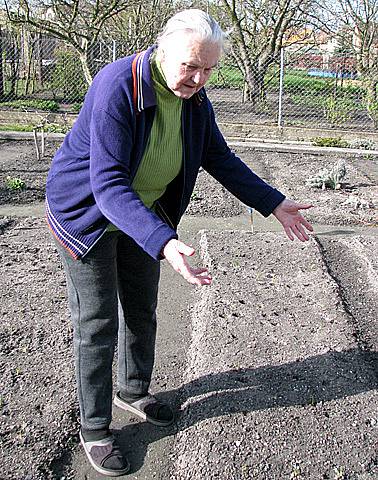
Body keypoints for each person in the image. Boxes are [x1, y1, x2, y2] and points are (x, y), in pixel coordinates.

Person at [46, 8, 313, 477]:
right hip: (88, 213)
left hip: (143, 213)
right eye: (190, 65)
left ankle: (133, 391)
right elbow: (108, 184)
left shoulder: (195, 99)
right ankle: (95, 428)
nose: (198, 78)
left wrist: (272, 202)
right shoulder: (117, 87)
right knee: (97, 321)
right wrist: (166, 243)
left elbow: (217, 156)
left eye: (209, 68)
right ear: (162, 50)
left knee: (142, 307)